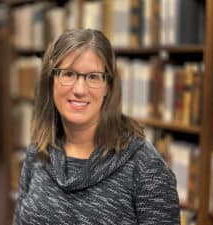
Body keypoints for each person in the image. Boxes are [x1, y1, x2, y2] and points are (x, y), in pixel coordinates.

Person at [13, 29, 180, 225]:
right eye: (68, 74)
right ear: (51, 81)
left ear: (108, 86)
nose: (79, 90)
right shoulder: (39, 149)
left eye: (93, 77)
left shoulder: (146, 167)